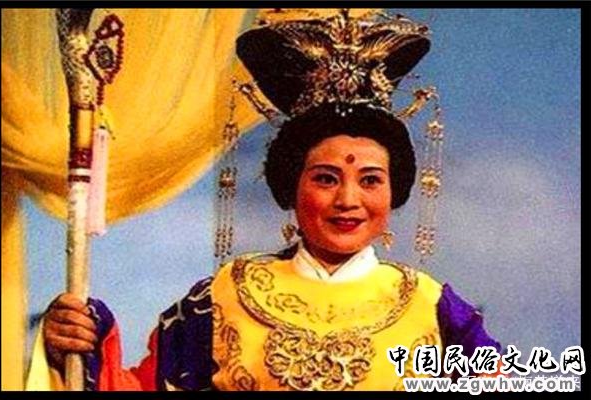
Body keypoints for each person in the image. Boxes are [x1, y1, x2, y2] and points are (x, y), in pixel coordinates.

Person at [27, 9, 502, 391]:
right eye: (326, 178)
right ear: (291, 186)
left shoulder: (435, 308)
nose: (348, 199)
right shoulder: (223, 298)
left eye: (371, 180)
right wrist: (80, 347)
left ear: (394, 192)